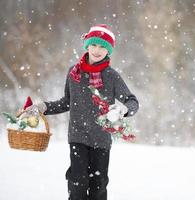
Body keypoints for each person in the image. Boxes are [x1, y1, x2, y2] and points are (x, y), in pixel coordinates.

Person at [25, 24, 139, 200]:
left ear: (108, 51)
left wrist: (124, 110)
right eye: (94, 44)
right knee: (77, 185)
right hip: (78, 137)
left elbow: (132, 101)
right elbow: (66, 102)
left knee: (98, 187)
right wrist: (43, 107)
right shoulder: (74, 73)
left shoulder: (111, 76)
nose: (97, 50)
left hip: (101, 140)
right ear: (87, 45)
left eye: (102, 46)